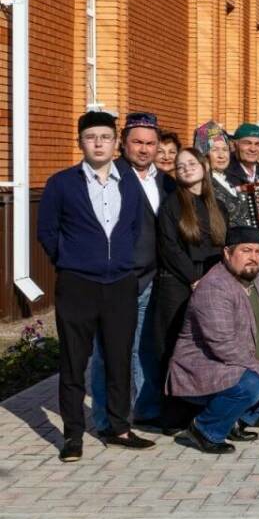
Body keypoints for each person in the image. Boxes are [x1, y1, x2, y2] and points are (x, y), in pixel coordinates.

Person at [37, 110, 155, 461]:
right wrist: (71, 261)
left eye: (105, 137)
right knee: (74, 363)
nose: (99, 143)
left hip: (120, 283)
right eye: (91, 137)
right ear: (81, 142)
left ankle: (119, 427)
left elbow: (133, 229)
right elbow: (47, 232)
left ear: (115, 141)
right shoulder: (62, 183)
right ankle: (73, 436)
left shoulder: (130, 181)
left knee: (119, 359)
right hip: (78, 285)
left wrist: (119, 262)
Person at [165, 226, 259, 454]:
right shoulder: (214, 287)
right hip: (205, 366)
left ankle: (236, 422)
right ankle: (204, 429)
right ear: (227, 253)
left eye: (258, 252)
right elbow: (223, 345)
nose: (253, 258)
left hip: (244, 362)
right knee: (251, 384)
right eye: (246, 250)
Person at [91, 112, 171, 434]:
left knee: (146, 346)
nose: (144, 149)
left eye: (151, 143)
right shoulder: (107, 177)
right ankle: (107, 419)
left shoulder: (165, 180)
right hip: (116, 281)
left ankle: (144, 410)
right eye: (137, 142)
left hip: (154, 278)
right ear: (123, 143)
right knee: (108, 352)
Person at [155, 147, 228, 431]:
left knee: (205, 346)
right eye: (179, 165)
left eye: (190, 163)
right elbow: (169, 247)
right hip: (177, 284)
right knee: (175, 347)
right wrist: (192, 278)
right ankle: (173, 415)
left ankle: (203, 407)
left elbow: (222, 248)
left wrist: (213, 281)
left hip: (210, 282)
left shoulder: (217, 205)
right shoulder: (172, 204)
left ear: (204, 166)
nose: (185, 168)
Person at [195, 121, 239, 214]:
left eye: (225, 149)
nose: (221, 155)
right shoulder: (202, 185)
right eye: (214, 150)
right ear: (203, 154)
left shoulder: (228, 180)